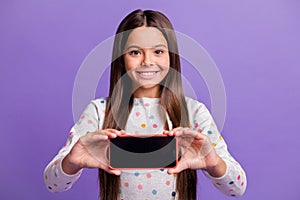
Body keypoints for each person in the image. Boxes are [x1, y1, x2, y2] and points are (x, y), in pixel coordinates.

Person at [44, 9, 247, 200]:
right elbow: (53, 184)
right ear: (121, 58)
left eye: (158, 51)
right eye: (135, 52)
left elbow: (237, 188)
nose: (147, 61)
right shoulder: (100, 111)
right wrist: (72, 161)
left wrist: (213, 163)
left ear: (171, 56)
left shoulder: (194, 112)